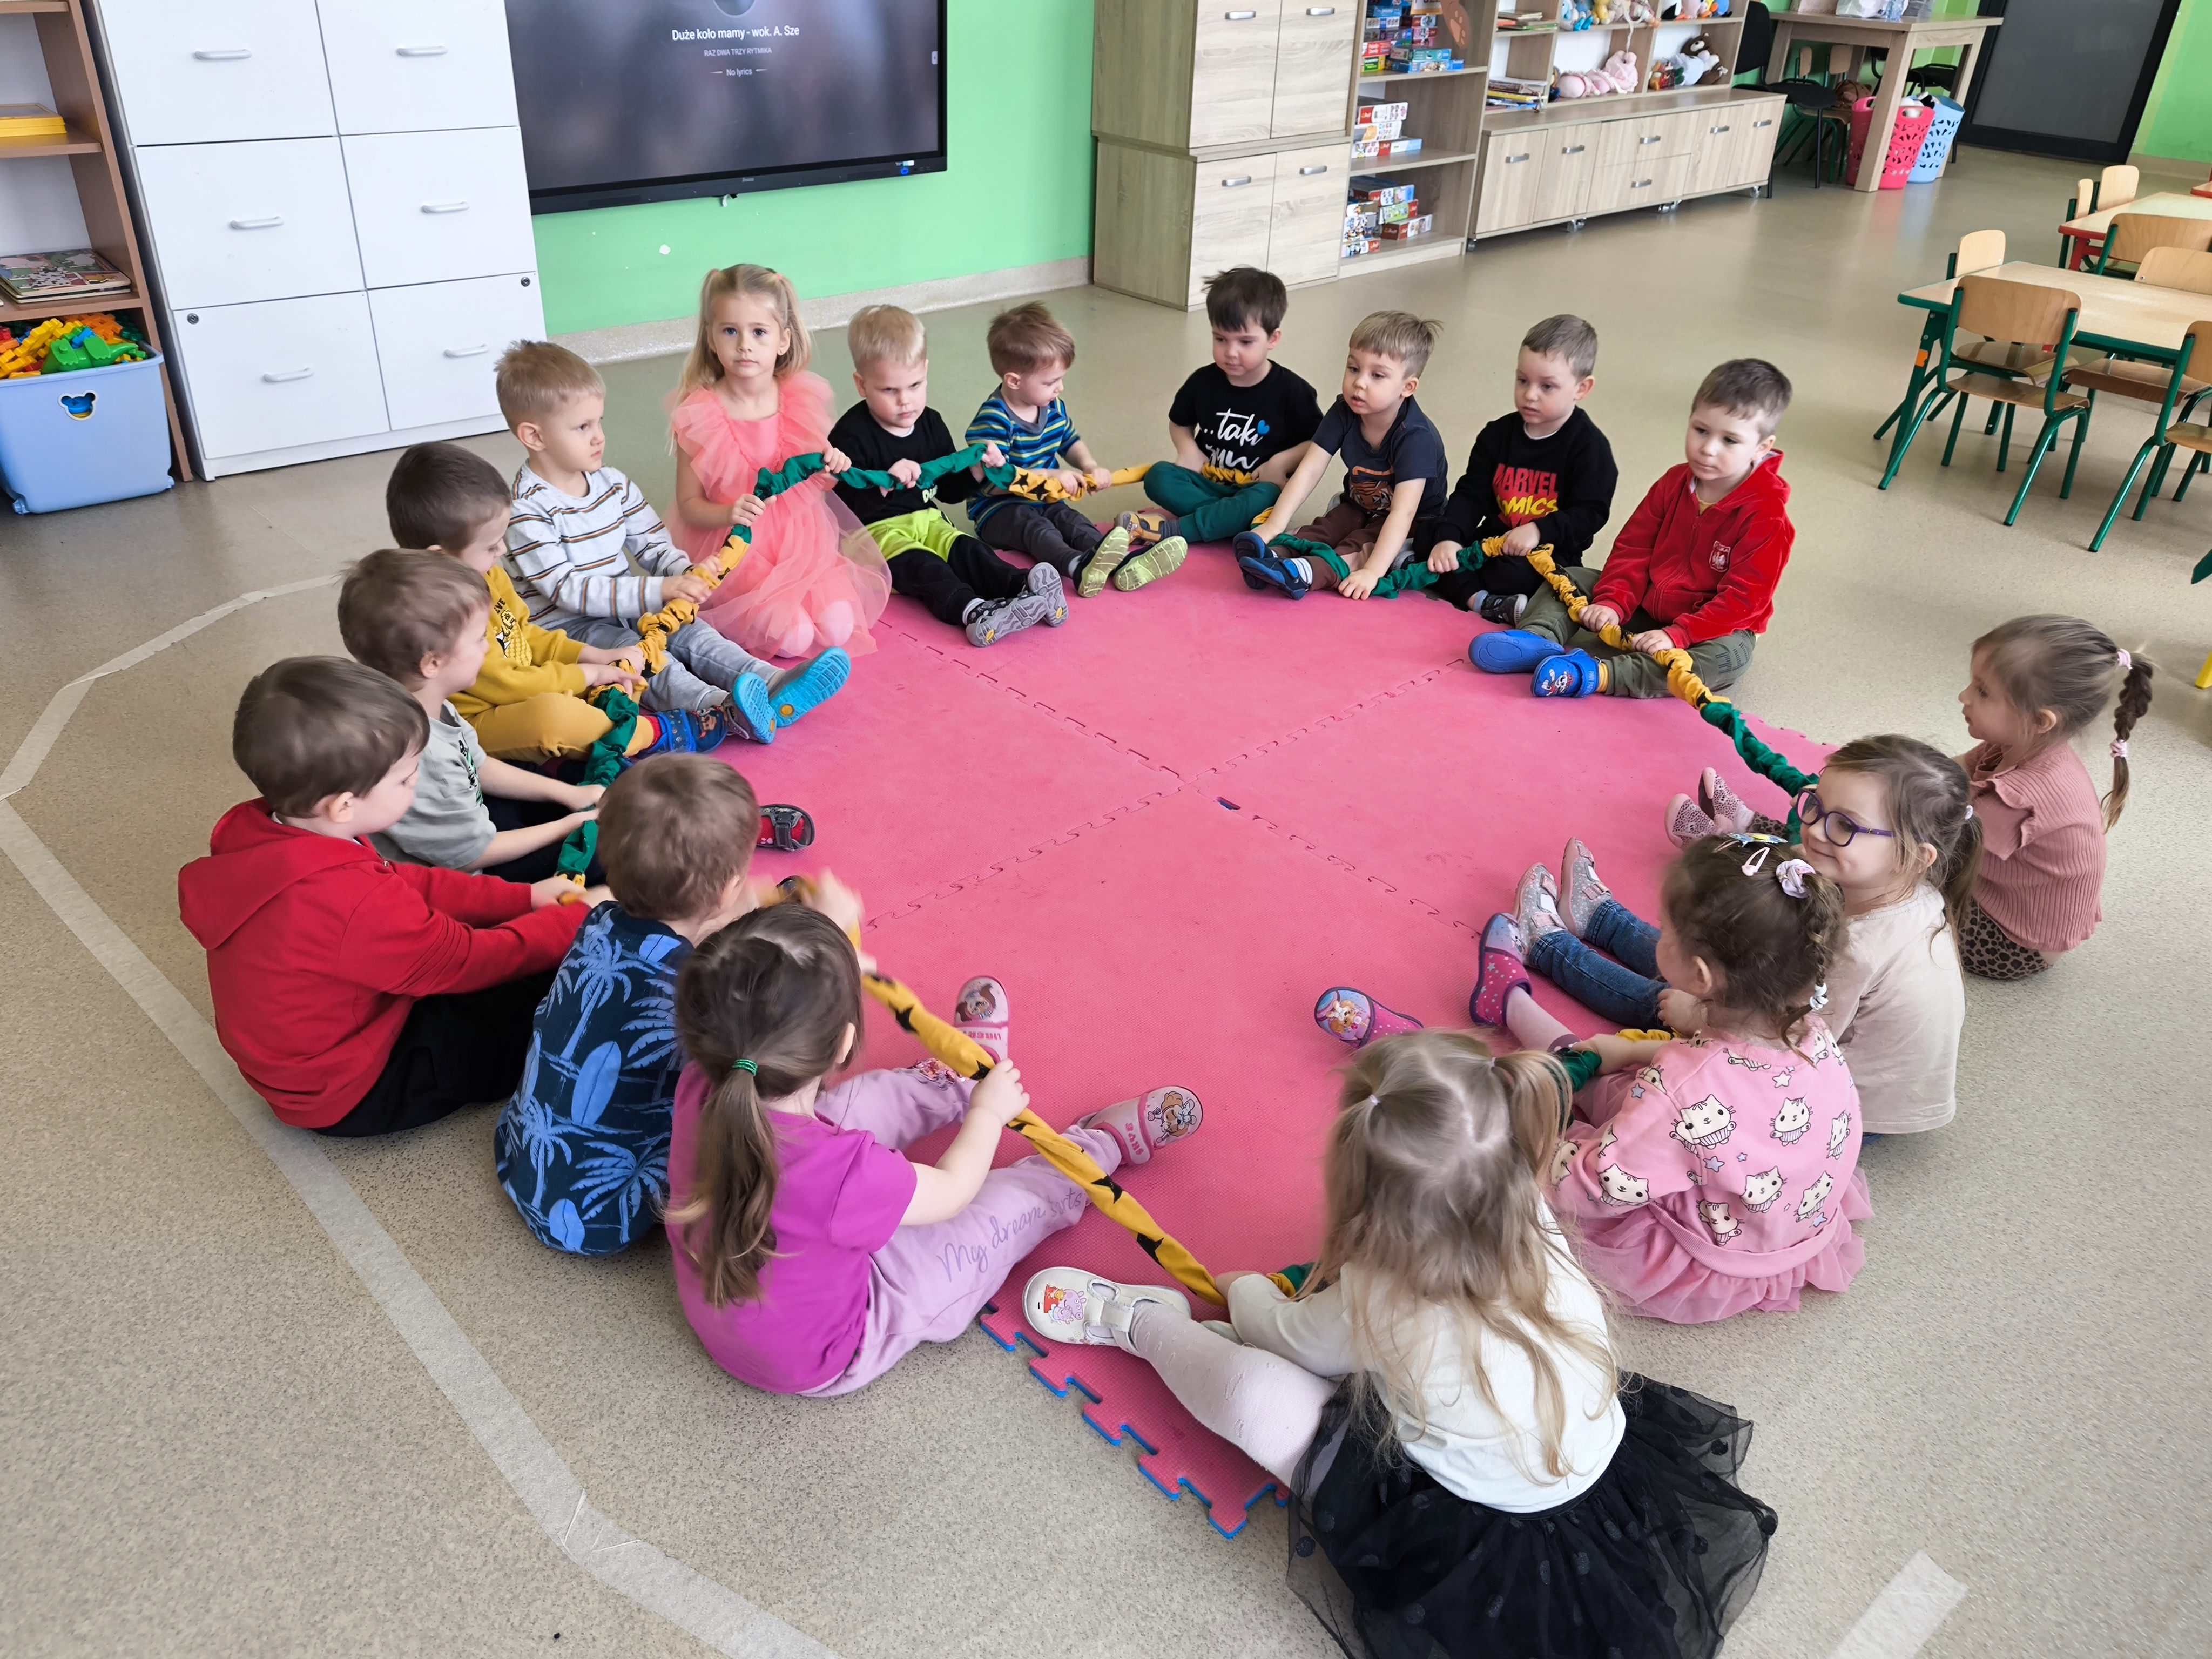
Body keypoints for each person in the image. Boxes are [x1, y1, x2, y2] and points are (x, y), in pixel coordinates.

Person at [1021, 1032, 1775, 1659]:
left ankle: (1145, 1324)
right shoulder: (1530, 1215)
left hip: (1477, 1541)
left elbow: (1272, 1330)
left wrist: (1242, 1286)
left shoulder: (1383, 1299)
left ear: (1363, 1206)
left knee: (1255, 1395)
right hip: (1602, 1492)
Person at [665, 903, 1202, 1395]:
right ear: (844, 1044)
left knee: (857, 1105)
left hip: (742, 1314)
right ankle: (1095, 1150)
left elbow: (743, 986)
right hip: (833, 1346)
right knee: (995, 1216)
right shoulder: (845, 1175)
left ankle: (956, 1081)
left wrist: (819, 957)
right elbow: (952, 1193)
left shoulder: (707, 1079)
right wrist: (987, 1114)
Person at [177, 657, 595, 1136]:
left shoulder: (273, 832)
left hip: (320, 1056)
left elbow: (409, 882)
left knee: (508, 961)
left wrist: (523, 899)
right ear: (344, 806)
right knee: (543, 1009)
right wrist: (574, 921)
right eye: (406, 778)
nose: (416, 784)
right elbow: (465, 961)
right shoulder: (346, 901)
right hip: (355, 1091)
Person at [1470, 837, 1864, 1321]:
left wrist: (1534, 1147)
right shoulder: (1813, 1033)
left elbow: (1596, 1185)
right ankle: (1517, 1006)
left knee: (1546, 1121)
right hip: (1788, 1226)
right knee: (1622, 1079)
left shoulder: (1680, 1088)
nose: (1658, 935)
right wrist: (1633, 1051)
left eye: (1663, 930)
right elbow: (1734, 1072)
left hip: (1702, 1258)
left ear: (1699, 977)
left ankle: (1511, 1006)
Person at [1533, 739, 1977, 1137]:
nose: (1815, 831)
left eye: (1845, 826)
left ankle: (1548, 946)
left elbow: (1787, 1040)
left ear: (1913, 856)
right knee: (1705, 950)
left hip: (1842, 1103)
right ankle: (1599, 919)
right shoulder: (1901, 886)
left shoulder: (1862, 951)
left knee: (1691, 987)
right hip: (1820, 1041)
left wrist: (1695, 1015)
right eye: (1816, 805)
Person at [498, 339, 849, 742]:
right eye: (582, 427)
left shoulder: (611, 482)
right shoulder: (526, 510)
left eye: (599, 422)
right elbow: (570, 591)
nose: (599, 438)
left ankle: (772, 682)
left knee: (693, 631)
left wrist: (687, 574)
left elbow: (652, 543)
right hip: (570, 628)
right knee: (644, 655)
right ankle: (719, 709)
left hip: (626, 602)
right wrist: (661, 589)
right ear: (534, 436)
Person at [496, 756, 763, 1256]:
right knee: (747, 1092)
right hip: (602, 1219)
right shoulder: (696, 988)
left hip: (521, 1160)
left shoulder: (597, 921)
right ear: (730, 890)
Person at [1472, 358, 1793, 698]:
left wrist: (1678, 635)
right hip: (1646, 603)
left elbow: (1743, 600)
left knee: (1729, 658)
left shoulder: (1767, 516)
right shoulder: (1673, 482)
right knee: (1574, 576)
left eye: (1729, 440)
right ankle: (1538, 638)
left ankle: (1597, 675)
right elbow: (1635, 548)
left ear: (1762, 448)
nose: (1708, 449)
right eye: (1701, 430)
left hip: (1709, 628)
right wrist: (1613, 602)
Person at [386, 441, 719, 764]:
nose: (503, 551)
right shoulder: (443, 617)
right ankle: (652, 734)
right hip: (482, 716)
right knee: (554, 717)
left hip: (520, 684)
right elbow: (509, 685)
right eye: (490, 546)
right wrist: (585, 674)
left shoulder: (489, 574)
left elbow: (526, 636)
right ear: (443, 557)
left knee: (600, 682)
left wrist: (594, 657)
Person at [338, 549, 610, 885]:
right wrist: (565, 827)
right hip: (468, 875)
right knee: (604, 853)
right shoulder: (417, 756)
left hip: (472, 821)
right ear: (433, 663)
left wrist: (566, 794)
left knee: (560, 782)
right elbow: (472, 855)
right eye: (480, 638)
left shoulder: (429, 700)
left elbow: (477, 764)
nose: (488, 648)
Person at [667, 263, 892, 662]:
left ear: (783, 339)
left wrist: (832, 467)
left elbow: (815, 484)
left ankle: (790, 610)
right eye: (730, 331)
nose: (745, 345)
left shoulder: (800, 397)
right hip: (737, 548)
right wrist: (729, 513)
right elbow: (688, 505)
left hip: (801, 544)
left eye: (759, 332)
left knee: (839, 628)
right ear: (711, 338)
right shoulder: (699, 414)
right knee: (794, 639)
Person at [827, 304, 1067, 647]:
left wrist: (977, 469)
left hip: (927, 520)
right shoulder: (850, 435)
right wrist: (882, 484)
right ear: (862, 385)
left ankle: (1023, 586)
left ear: (926, 371)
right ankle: (973, 611)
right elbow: (838, 506)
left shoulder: (931, 423)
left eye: (915, 385)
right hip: (874, 533)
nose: (905, 401)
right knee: (926, 567)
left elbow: (949, 491)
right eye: (889, 390)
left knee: (967, 550)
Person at [1951, 615, 2152, 980]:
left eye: (1982, 692)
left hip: (2010, 945)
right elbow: (1953, 770)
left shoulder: (2020, 797)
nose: (1964, 697)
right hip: (2018, 912)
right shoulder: (2023, 743)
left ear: (2042, 720)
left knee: (1885, 878)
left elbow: (1930, 840)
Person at [1231, 311, 1450, 600]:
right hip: (1359, 503)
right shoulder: (1344, 412)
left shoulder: (1415, 437)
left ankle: (1307, 573)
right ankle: (1276, 555)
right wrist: (1274, 525)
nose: (1359, 383)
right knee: (1328, 526)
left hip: (1414, 520)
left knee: (1360, 544)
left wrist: (1373, 571)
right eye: (1354, 368)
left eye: (1377, 375)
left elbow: (1404, 512)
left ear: (1407, 387)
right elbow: (1309, 470)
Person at [1118, 266, 1320, 574]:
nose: (1231, 353)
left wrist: (1281, 463)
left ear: (1273, 338)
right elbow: (1180, 422)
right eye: (1221, 339)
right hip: (1207, 484)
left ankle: (1174, 531)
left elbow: (1320, 443)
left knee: (1268, 495)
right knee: (1158, 475)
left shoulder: (1293, 391)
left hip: (1256, 491)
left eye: (1245, 342)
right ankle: (1223, 522)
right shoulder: (1203, 382)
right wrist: (1187, 449)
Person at [1426, 313, 1619, 622]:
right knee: (1432, 535)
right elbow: (1471, 495)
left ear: (1581, 389)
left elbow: (1590, 513)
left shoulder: (1590, 448)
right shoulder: (1496, 435)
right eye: (1523, 381)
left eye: (1547, 386)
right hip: (1493, 541)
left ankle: (1471, 591)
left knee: (1515, 575)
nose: (1530, 395)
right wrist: (1448, 539)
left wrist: (1538, 530)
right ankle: (1481, 601)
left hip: (1549, 553)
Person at [963, 302, 1135, 598]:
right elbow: (994, 483)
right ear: (1014, 381)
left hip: (1045, 497)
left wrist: (1090, 465)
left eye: (1061, 379)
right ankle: (1077, 567)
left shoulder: (1052, 405)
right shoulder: (993, 421)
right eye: (1051, 382)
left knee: (1074, 522)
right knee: (1039, 530)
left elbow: (1068, 439)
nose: (1060, 388)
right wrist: (1049, 476)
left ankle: (1116, 560)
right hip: (999, 509)